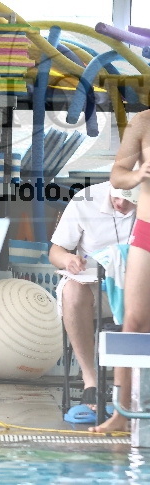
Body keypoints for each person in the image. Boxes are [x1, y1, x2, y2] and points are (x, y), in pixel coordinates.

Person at [49, 181, 138, 411]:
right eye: (117, 197)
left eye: (130, 200)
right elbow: (56, 251)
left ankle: (134, 388)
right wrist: (68, 259)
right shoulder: (85, 199)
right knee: (72, 290)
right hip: (96, 288)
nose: (121, 204)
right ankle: (91, 380)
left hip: (137, 290)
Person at [94, 109, 150, 433]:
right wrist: (138, 174)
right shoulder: (143, 122)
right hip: (147, 229)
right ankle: (122, 413)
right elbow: (118, 175)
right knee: (134, 322)